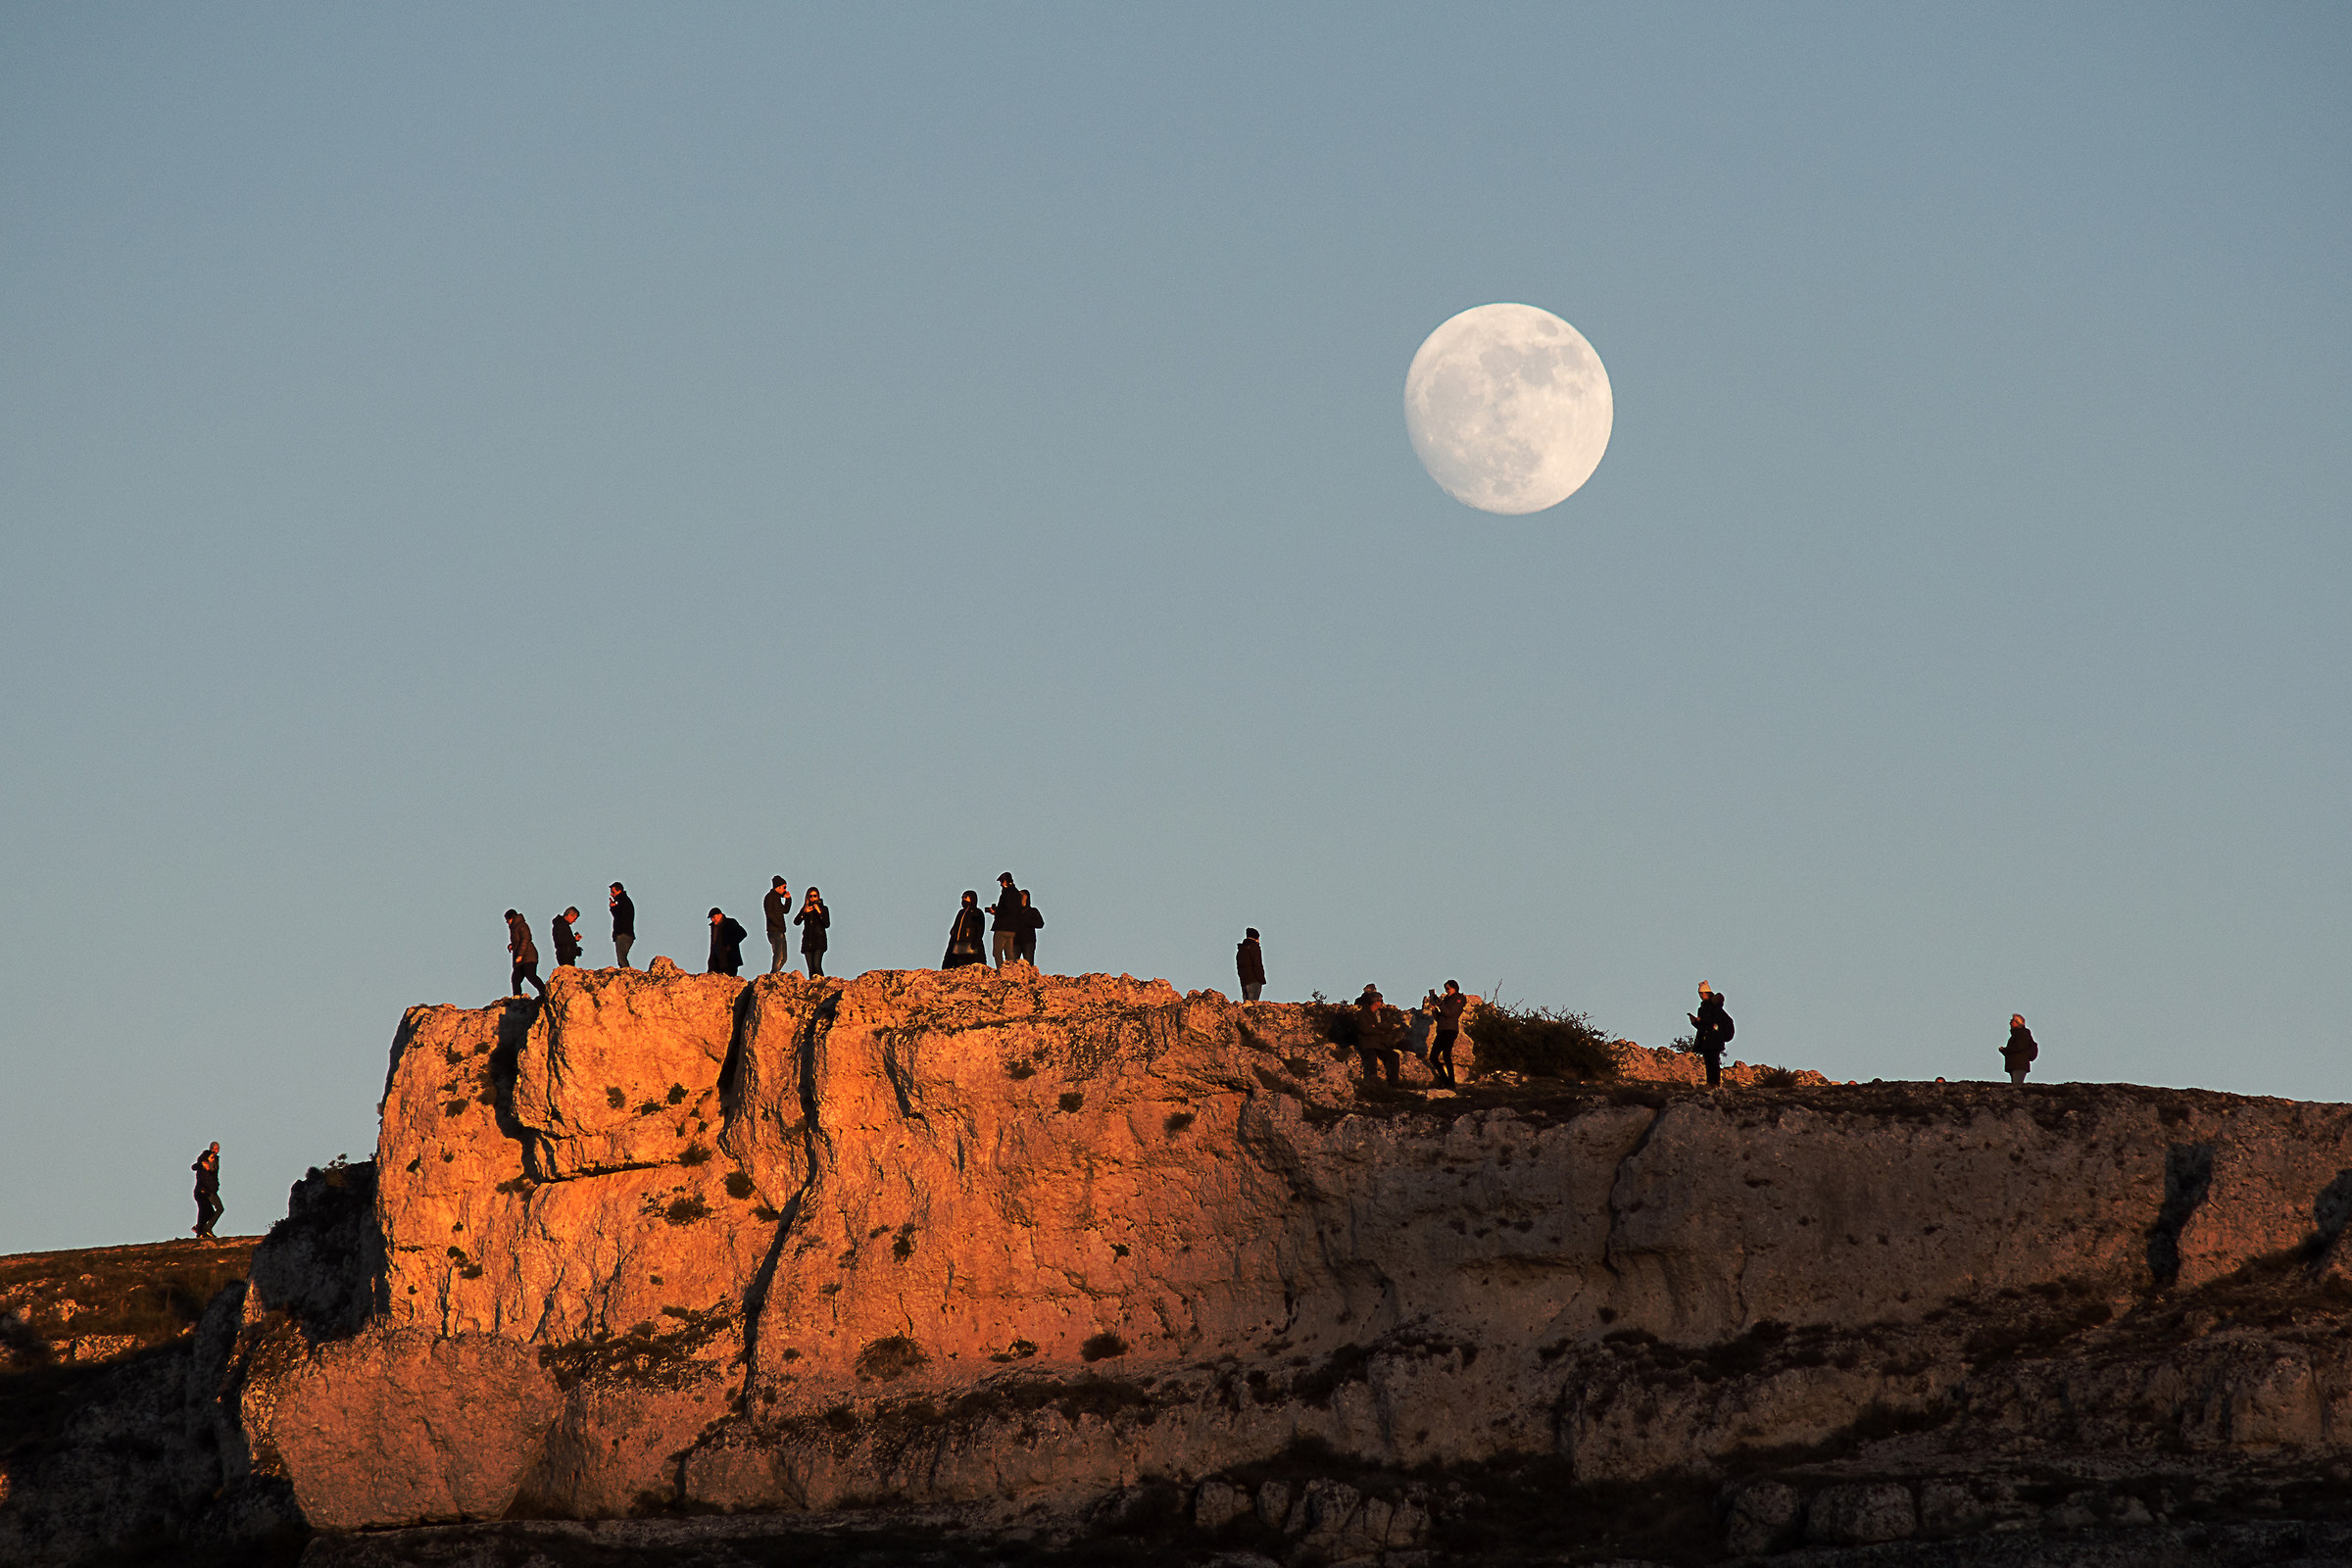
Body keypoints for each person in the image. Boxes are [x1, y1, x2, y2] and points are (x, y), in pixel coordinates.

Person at [1352, 984, 1402, 1087]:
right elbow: (1365, 1029)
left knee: (1394, 1056)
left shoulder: (1381, 1014)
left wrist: (1376, 1026)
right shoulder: (1363, 1013)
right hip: (1368, 1043)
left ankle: (1394, 1083)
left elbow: (1389, 1026)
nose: (1382, 1003)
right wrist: (1380, 1031)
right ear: (1375, 1002)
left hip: (1380, 1044)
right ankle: (1372, 1082)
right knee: (1372, 1057)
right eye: (1380, 1001)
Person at [1689, 982, 1734, 1089]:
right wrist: (1695, 1022)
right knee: (1708, 1062)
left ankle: (1715, 1083)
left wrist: (1701, 1020)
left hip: (1714, 1040)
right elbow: (1704, 1026)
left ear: (1707, 993)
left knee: (1713, 1061)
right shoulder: (1702, 1009)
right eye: (1700, 994)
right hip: (1706, 1040)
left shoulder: (1715, 1008)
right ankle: (1710, 1083)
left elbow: (1714, 1021)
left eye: (1702, 993)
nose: (1700, 996)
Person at [1431, 980, 1467, 1088]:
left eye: (1448, 988)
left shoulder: (1459, 998)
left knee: (1446, 1055)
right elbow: (1440, 1017)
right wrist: (1434, 1009)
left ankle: (1450, 1083)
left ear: (1454, 988)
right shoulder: (1447, 999)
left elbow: (1449, 1013)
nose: (1446, 991)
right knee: (1433, 1057)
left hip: (1450, 1030)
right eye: (1445, 989)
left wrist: (1440, 1004)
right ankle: (1446, 1080)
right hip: (1442, 1029)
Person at [506, 909, 546, 999]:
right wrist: (512, 945)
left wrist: (520, 955)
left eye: (507, 920)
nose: (507, 923)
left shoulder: (521, 925)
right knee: (515, 979)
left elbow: (526, 939)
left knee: (530, 975)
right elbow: (518, 941)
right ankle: (517, 998)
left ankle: (544, 992)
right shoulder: (515, 928)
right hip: (521, 958)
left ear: (511, 918)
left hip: (529, 956)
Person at [943, 891, 988, 968]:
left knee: (970, 965)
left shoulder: (977, 912)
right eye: (962, 898)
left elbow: (980, 929)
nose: (963, 900)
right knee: (957, 965)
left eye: (966, 897)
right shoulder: (961, 912)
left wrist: (975, 943)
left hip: (970, 944)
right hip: (958, 943)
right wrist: (953, 933)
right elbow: (956, 926)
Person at [991, 873, 1024, 968]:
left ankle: (1000, 970)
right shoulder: (1017, 894)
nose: (1001, 884)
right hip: (1012, 928)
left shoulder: (1006, 894)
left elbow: (1005, 909)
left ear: (1005, 882)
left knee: (997, 951)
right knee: (1009, 952)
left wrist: (996, 911)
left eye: (1001, 882)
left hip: (1002, 927)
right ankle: (1011, 971)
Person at [795, 888, 830, 977]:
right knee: (810, 968)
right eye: (811, 896)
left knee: (816, 965)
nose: (813, 898)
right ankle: (813, 986)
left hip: (819, 941)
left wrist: (819, 912)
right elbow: (796, 922)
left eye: (815, 896)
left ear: (818, 897)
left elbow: (826, 924)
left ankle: (822, 984)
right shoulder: (806, 909)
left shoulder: (824, 909)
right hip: (808, 941)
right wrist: (803, 912)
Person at [191, 1143, 222, 1243]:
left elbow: (213, 1170)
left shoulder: (216, 1159)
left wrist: (211, 1163)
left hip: (211, 1190)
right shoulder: (206, 1155)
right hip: (203, 1190)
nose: (215, 1150)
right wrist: (204, 1163)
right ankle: (203, 1229)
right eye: (214, 1148)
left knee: (213, 1211)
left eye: (217, 1148)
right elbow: (194, 1166)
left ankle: (202, 1228)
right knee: (207, 1210)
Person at [762, 876, 794, 974]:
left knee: (784, 957)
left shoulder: (776, 898)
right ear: (778, 887)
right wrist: (778, 925)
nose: (785, 890)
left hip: (780, 930)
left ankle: (774, 974)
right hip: (774, 931)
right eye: (784, 887)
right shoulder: (770, 897)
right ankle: (773, 975)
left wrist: (788, 899)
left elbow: (785, 910)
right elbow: (770, 914)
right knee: (778, 955)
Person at [707, 907, 748, 976]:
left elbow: (742, 933)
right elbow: (713, 945)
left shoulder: (730, 922)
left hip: (730, 960)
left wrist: (730, 945)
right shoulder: (713, 927)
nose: (712, 920)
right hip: (716, 962)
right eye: (711, 918)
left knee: (729, 980)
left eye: (714, 917)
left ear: (720, 915)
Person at [2002, 1014, 2039, 1085]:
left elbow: (2019, 1047)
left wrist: (2005, 1050)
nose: (2010, 1023)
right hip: (2016, 1065)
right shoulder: (2018, 1034)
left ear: (2018, 1023)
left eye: (2012, 1021)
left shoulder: (2022, 1034)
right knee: (2016, 1084)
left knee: (2017, 1085)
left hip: (2019, 1065)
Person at [609, 882, 636, 969]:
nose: (611, 894)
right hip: (627, 934)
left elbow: (621, 917)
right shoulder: (624, 901)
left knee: (621, 958)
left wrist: (613, 908)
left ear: (619, 891)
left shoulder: (623, 901)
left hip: (623, 934)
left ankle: (627, 976)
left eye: (613, 892)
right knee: (622, 957)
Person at [1236, 929, 1266, 1003]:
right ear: (1256, 937)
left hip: (1244, 980)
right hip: (1254, 980)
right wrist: (1261, 979)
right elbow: (1257, 964)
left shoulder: (1241, 949)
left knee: (1246, 1002)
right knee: (1253, 1004)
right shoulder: (1254, 947)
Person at [1014, 889, 1043, 967]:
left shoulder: (1032, 911)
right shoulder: (1015, 911)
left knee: (1029, 965)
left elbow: (1040, 924)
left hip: (1028, 941)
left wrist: (1027, 921)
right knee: (1012, 965)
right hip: (1015, 940)